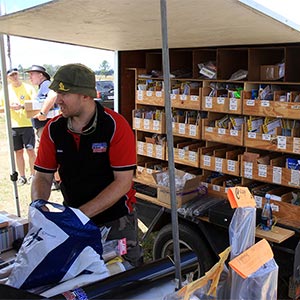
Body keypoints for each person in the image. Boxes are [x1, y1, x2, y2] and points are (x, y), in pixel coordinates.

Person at [31, 63, 143, 267]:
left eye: (64, 93)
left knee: (124, 280)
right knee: (80, 278)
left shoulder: (115, 126)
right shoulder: (53, 129)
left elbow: (123, 183)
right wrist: (38, 209)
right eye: (57, 93)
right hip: (74, 218)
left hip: (116, 221)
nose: (58, 100)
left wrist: (79, 215)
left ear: (85, 95)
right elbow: (43, 176)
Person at [25, 65, 61, 190]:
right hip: (44, 126)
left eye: (32, 74)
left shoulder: (46, 85)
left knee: (48, 152)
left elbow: (53, 95)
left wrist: (43, 113)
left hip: (45, 126)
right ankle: (56, 180)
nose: (30, 77)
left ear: (41, 75)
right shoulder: (42, 87)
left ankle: (56, 180)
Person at [0, 68, 37, 186]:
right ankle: (22, 176)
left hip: (27, 124)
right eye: (11, 76)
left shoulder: (28, 88)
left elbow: (35, 104)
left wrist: (21, 106)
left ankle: (33, 174)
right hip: (13, 126)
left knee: (30, 150)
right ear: (8, 78)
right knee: (18, 152)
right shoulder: (4, 91)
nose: (14, 77)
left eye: (16, 74)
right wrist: (10, 106)